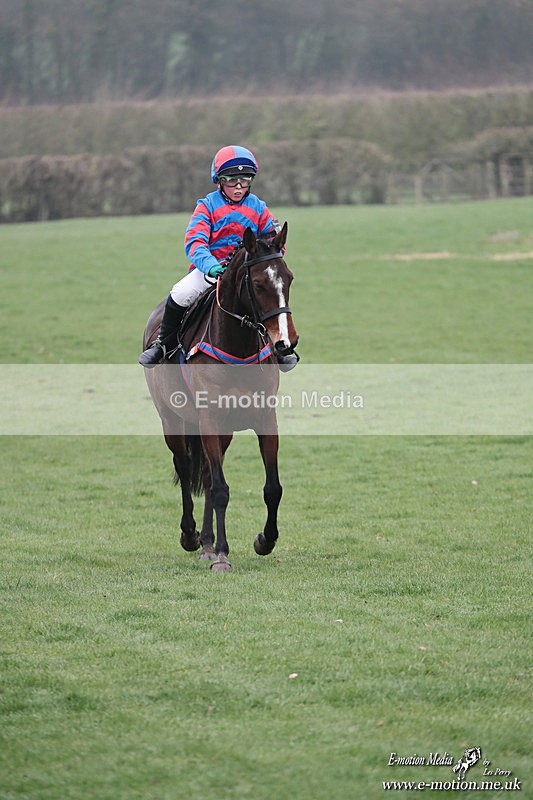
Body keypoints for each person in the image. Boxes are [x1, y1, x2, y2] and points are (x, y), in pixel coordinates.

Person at [139, 145, 297, 370]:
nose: (239, 186)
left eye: (245, 179)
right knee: (179, 294)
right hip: (210, 272)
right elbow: (195, 242)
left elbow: (273, 241)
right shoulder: (206, 207)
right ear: (219, 181)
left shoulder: (259, 208)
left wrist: (272, 256)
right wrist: (211, 266)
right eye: (232, 180)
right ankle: (162, 345)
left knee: (270, 296)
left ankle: (279, 349)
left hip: (246, 273)